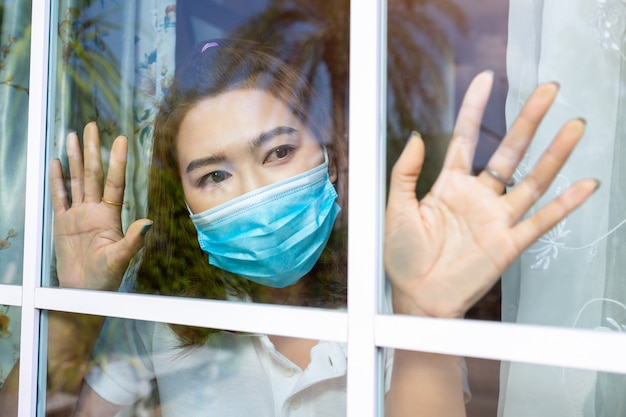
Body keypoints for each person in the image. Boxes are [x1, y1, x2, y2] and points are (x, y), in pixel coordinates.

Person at [0, 39, 597, 416]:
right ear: (183, 201)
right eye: (213, 176)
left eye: (279, 153)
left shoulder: (391, 288)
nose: (255, 191)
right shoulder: (159, 299)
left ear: (329, 156)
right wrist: (73, 310)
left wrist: (425, 320)